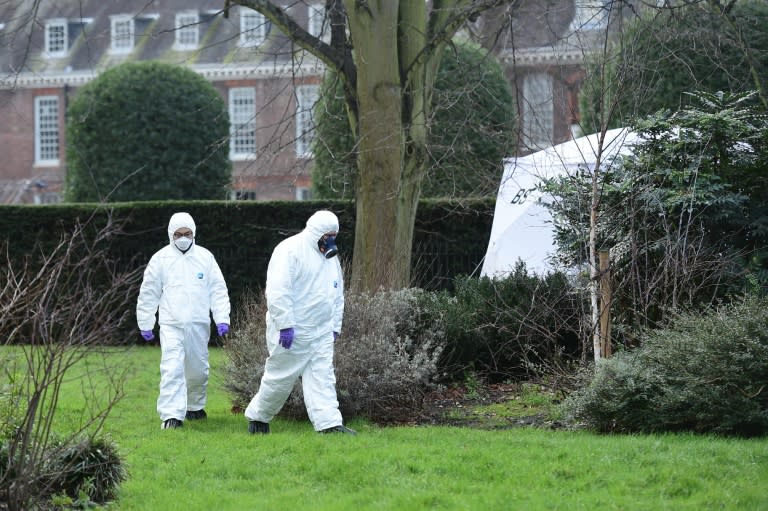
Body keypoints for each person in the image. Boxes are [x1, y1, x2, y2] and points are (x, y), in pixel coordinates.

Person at [244, 210, 355, 435]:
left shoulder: (330, 259)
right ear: (316, 232)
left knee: (322, 378)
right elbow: (278, 290)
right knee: (280, 378)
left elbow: (337, 292)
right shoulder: (289, 250)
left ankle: (329, 424)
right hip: (294, 332)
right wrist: (285, 324)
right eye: (327, 235)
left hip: (321, 332)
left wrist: (334, 325)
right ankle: (259, 418)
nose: (331, 240)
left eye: (334, 235)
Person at [136, 212, 231, 430]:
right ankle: (171, 416)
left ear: (194, 233)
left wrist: (222, 318)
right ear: (171, 234)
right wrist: (145, 322)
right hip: (171, 324)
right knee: (172, 368)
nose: (183, 238)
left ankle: (195, 406)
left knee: (198, 370)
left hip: (198, 323)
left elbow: (217, 290)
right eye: (178, 234)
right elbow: (149, 292)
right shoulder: (160, 259)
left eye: (187, 233)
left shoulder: (205, 257)